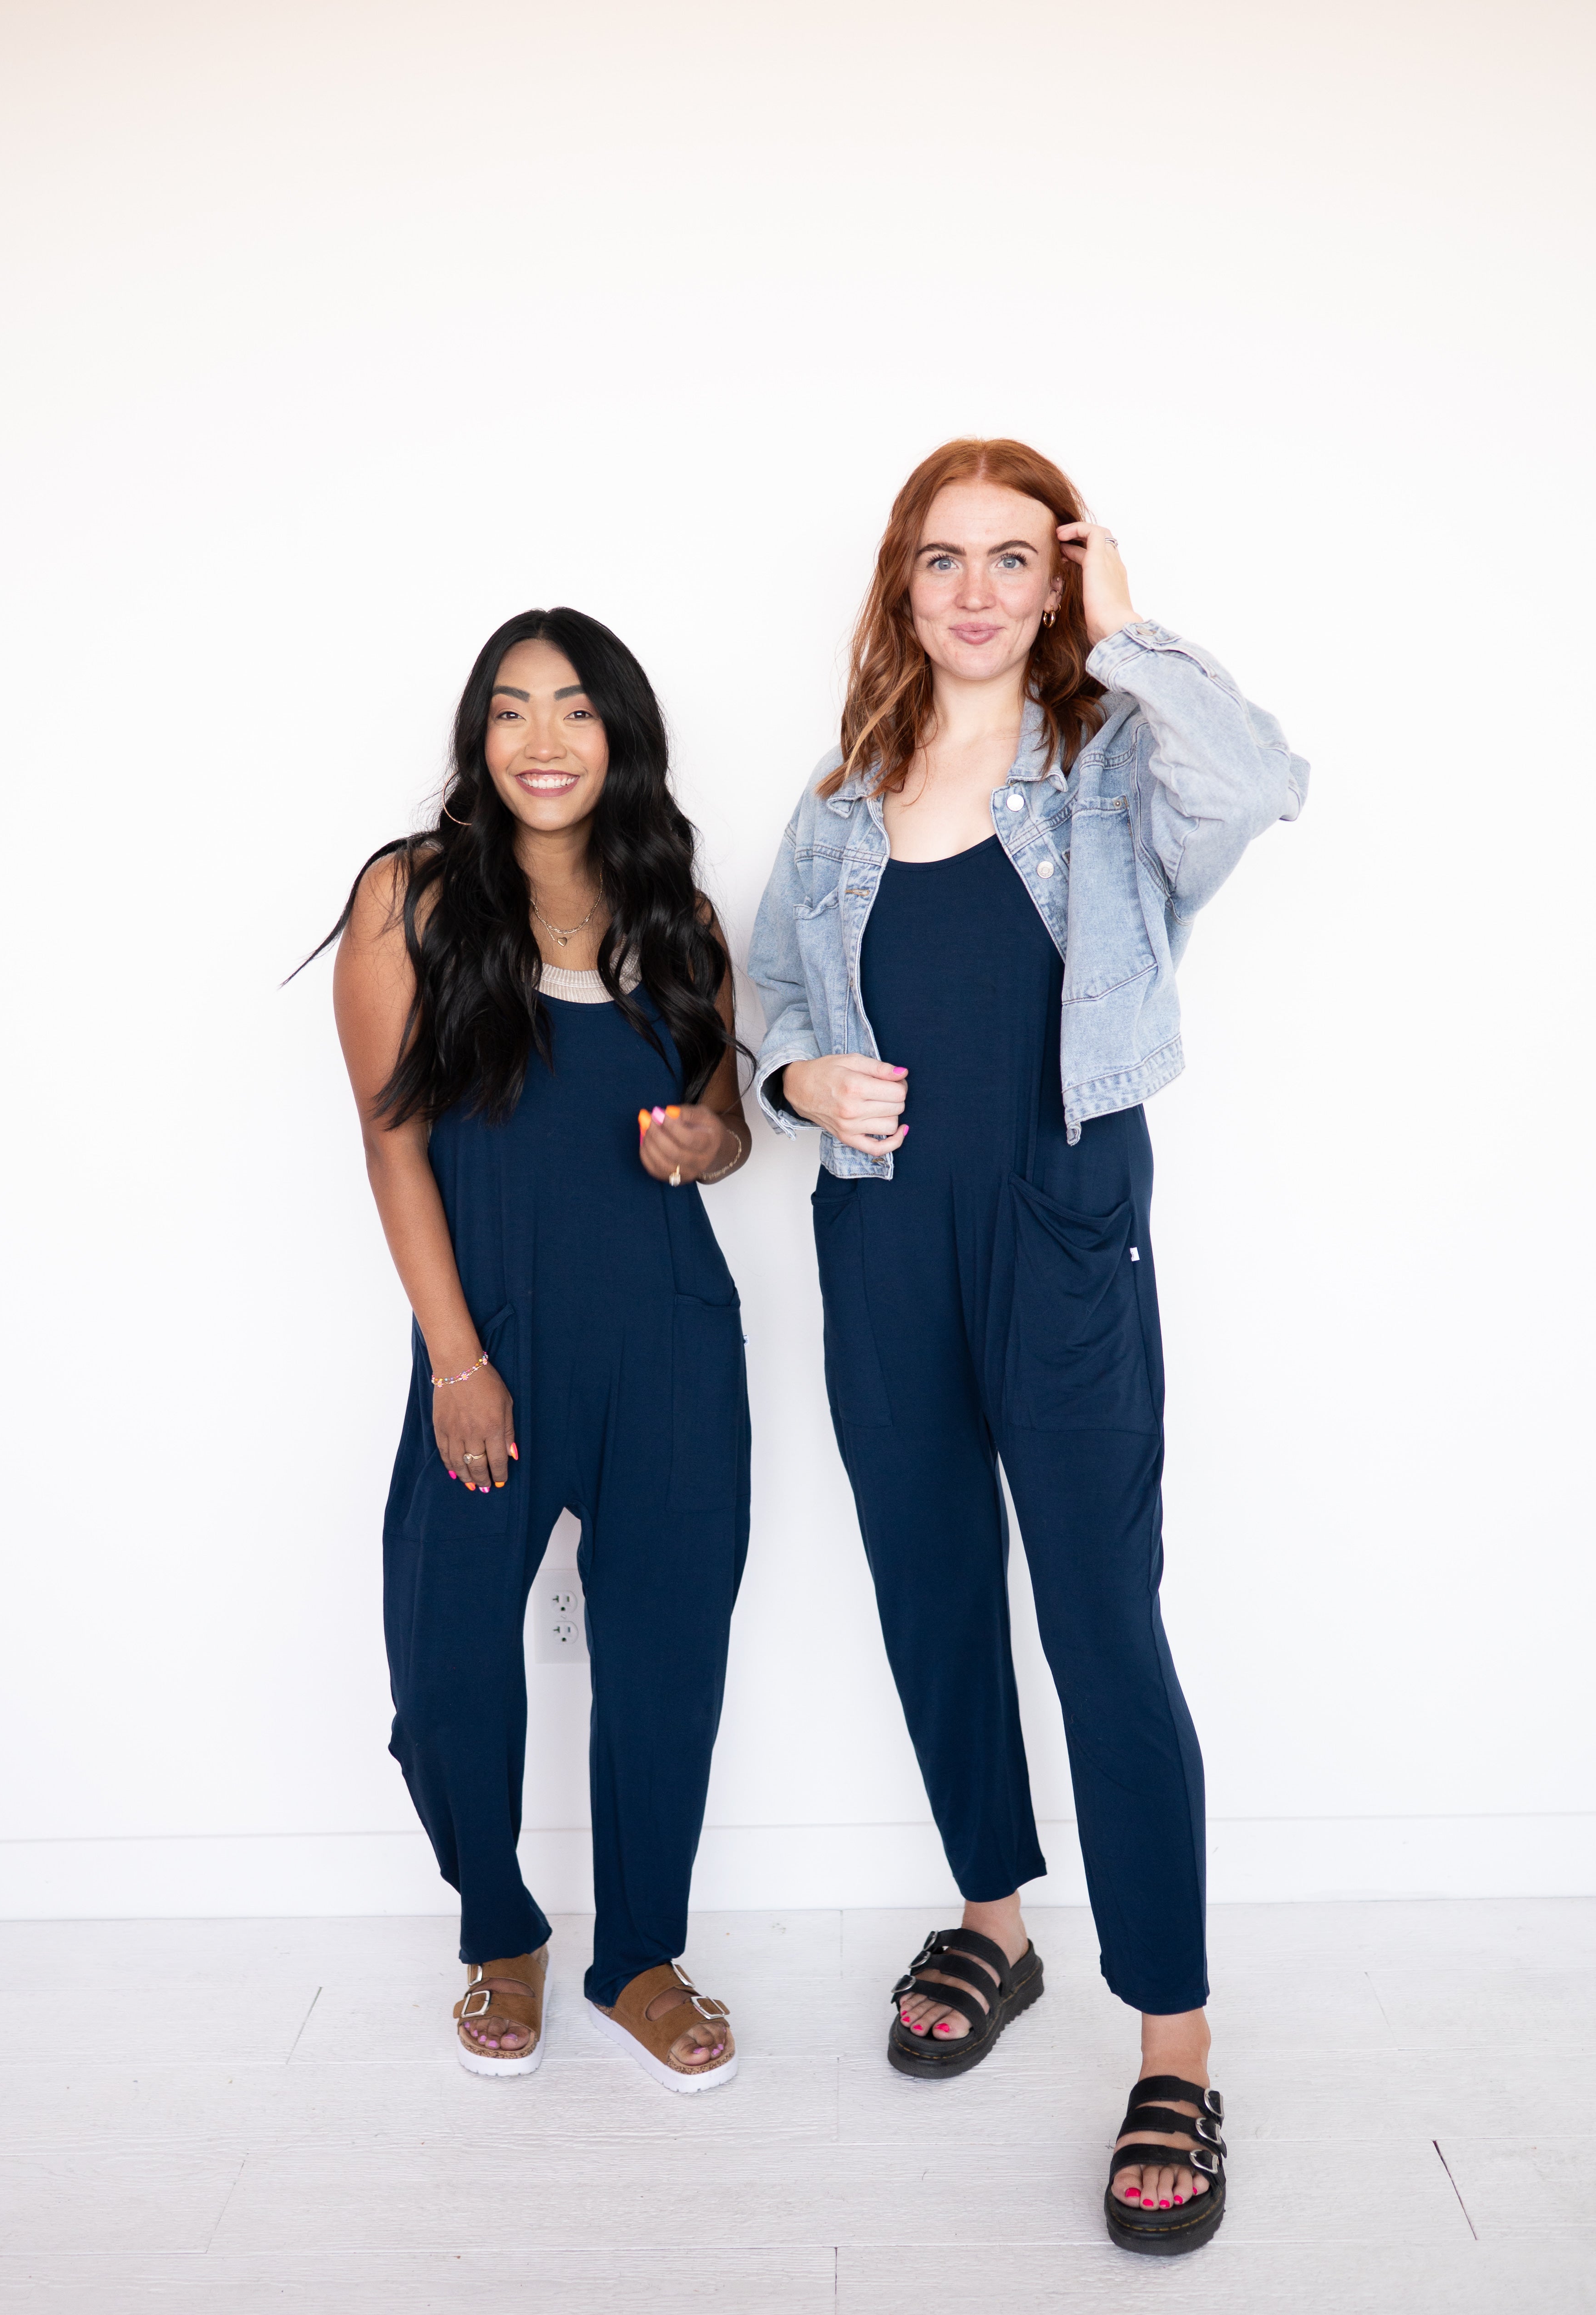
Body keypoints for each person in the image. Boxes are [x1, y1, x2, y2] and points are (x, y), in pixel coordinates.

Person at [748, 439, 1306, 2251]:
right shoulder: (840, 805)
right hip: (879, 1238)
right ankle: (995, 1917)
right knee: (931, 1589)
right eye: (941, 561)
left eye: (1014, 559)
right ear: (899, 590)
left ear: (1058, 581)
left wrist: (1134, 631)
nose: (976, 591)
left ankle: (1176, 2039)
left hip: (1061, 1232)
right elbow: (771, 995)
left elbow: (1265, 781)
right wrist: (793, 1073)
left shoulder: (1116, 771)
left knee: (1097, 1619)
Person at [321, 606, 752, 2092]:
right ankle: (495, 1925)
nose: (545, 742)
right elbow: (394, 1150)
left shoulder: (678, 916)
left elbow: (726, 1123)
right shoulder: (415, 897)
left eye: (576, 710)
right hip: (491, 1347)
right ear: (478, 737)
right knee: (444, 1667)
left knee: (663, 1668)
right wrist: (456, 1359)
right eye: (511, 711)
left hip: (678, 1349)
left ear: (621, 733)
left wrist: (709, 1138)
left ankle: (636, 1949)